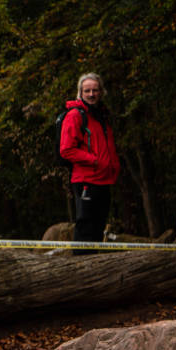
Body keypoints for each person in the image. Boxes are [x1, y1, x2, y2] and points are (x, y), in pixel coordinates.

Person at [58, 72, 120, 254]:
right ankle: (81, 272)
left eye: (95, 90)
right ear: (81, 93)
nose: (92, 94)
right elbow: (66, 149)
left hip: (104, 180)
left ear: (101, 92)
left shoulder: (102, 116)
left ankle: (93, 271)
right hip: (86, 180)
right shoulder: (75, 115)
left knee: (98, 230)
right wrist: (93, 160)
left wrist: (114, 167)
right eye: (87, 91)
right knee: (85, 229)